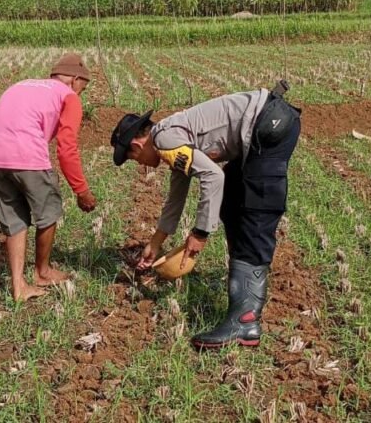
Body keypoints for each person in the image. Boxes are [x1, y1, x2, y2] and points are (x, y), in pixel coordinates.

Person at [110, 82, 300, 348]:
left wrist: (200, 234)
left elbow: (213, 175)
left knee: (254, 212)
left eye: (132, 158)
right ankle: (241, 294)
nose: (139, 164)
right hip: (266, 121)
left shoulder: (164, 141)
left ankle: (245, 322)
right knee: (233, 202)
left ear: (136, 145)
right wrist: (156, 242)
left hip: (268, 125)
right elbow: (176, 196)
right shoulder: (169, 139)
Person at [0, 53, 97, 302]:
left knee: (14, 222)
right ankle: (42, 272)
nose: (81, 94)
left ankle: (18, 287)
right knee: (48, 213)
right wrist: (82, 191)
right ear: (75, 80)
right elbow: (66, 147)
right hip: (27, 156)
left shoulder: (21, 85)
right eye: (82, 89)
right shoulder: (68, 96)